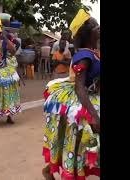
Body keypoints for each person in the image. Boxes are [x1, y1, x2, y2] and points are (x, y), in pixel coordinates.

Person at [42, 9, 100, 180]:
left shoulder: (92, 53)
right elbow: (80, 87)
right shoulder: (84, 55)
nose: (99, 28)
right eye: (96, 26)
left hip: (92, 98)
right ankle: (51, 170)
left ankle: (50, 170)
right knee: (77, 143)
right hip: (82, 104)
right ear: (88, 32)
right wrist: (93, 115)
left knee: (84, 144)